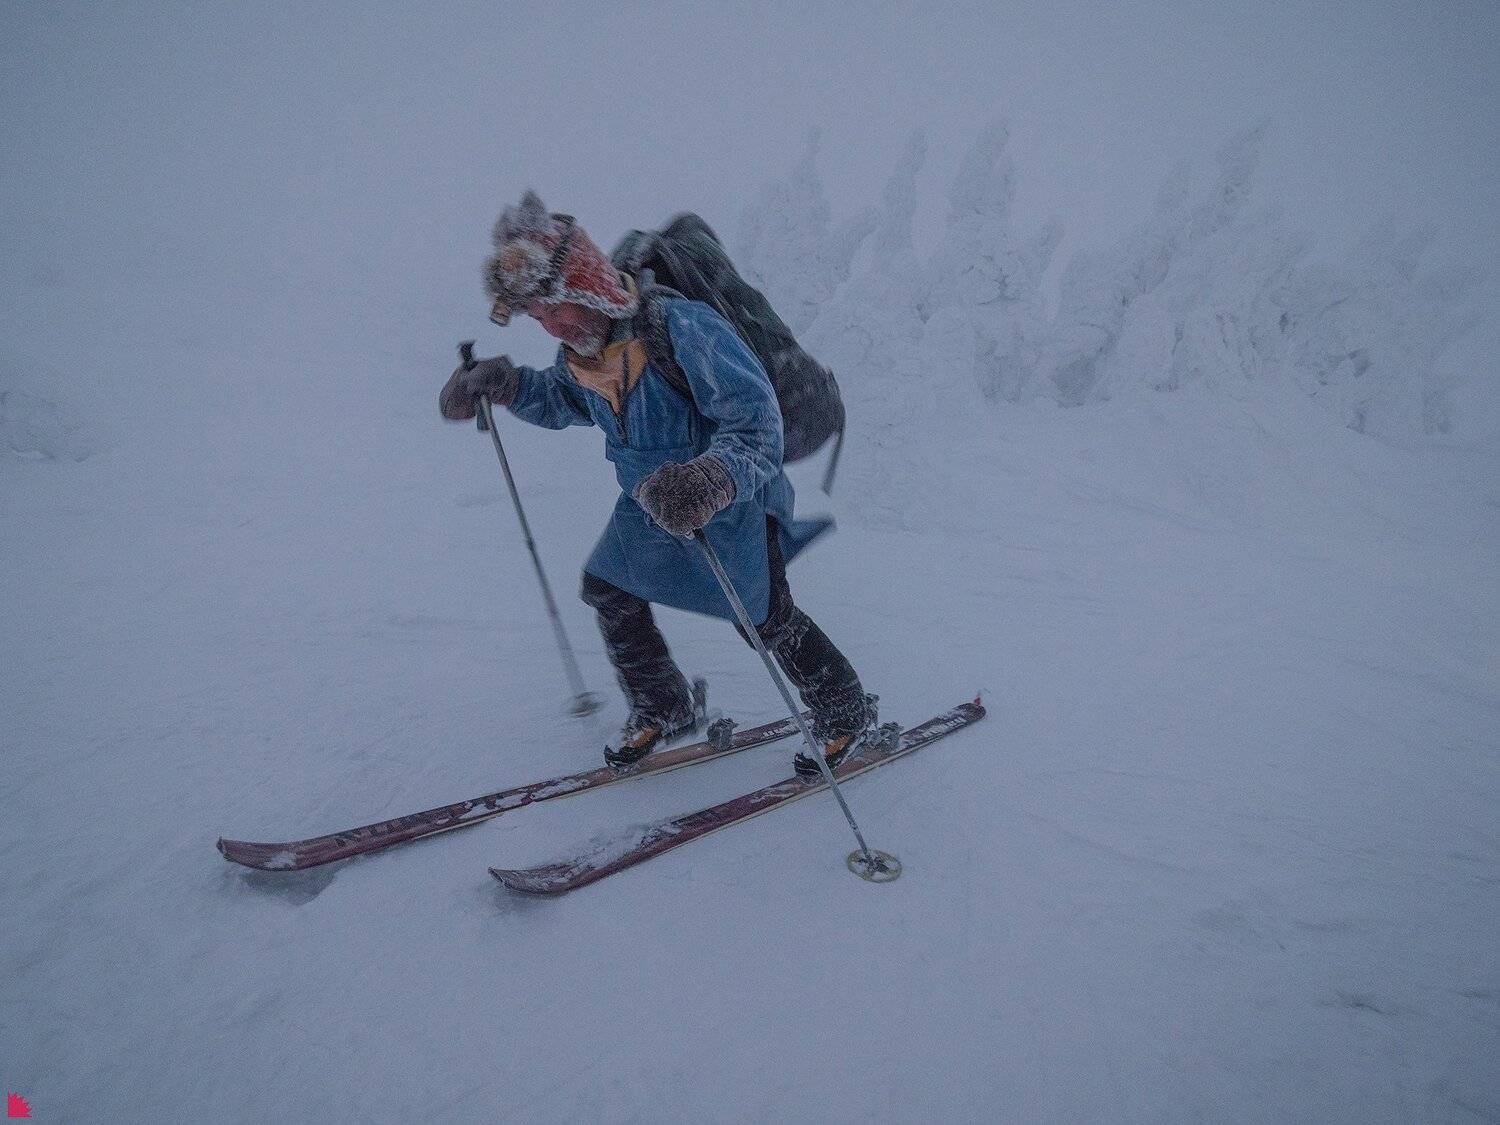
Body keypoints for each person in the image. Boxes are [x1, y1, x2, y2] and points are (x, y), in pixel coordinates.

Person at [441, 191, 874, 776]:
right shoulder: (583, 352)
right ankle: (663, 706)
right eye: (538, 318)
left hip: (731, 504)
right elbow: (563, 400)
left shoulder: (683, 328)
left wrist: (711, 478)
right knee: (609, 585)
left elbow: (758, 424)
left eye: (557, 308)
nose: (552, 327)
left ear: (587, 287)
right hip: (649, 504)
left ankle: (844, 711)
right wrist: (506, 384)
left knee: (765, 617)